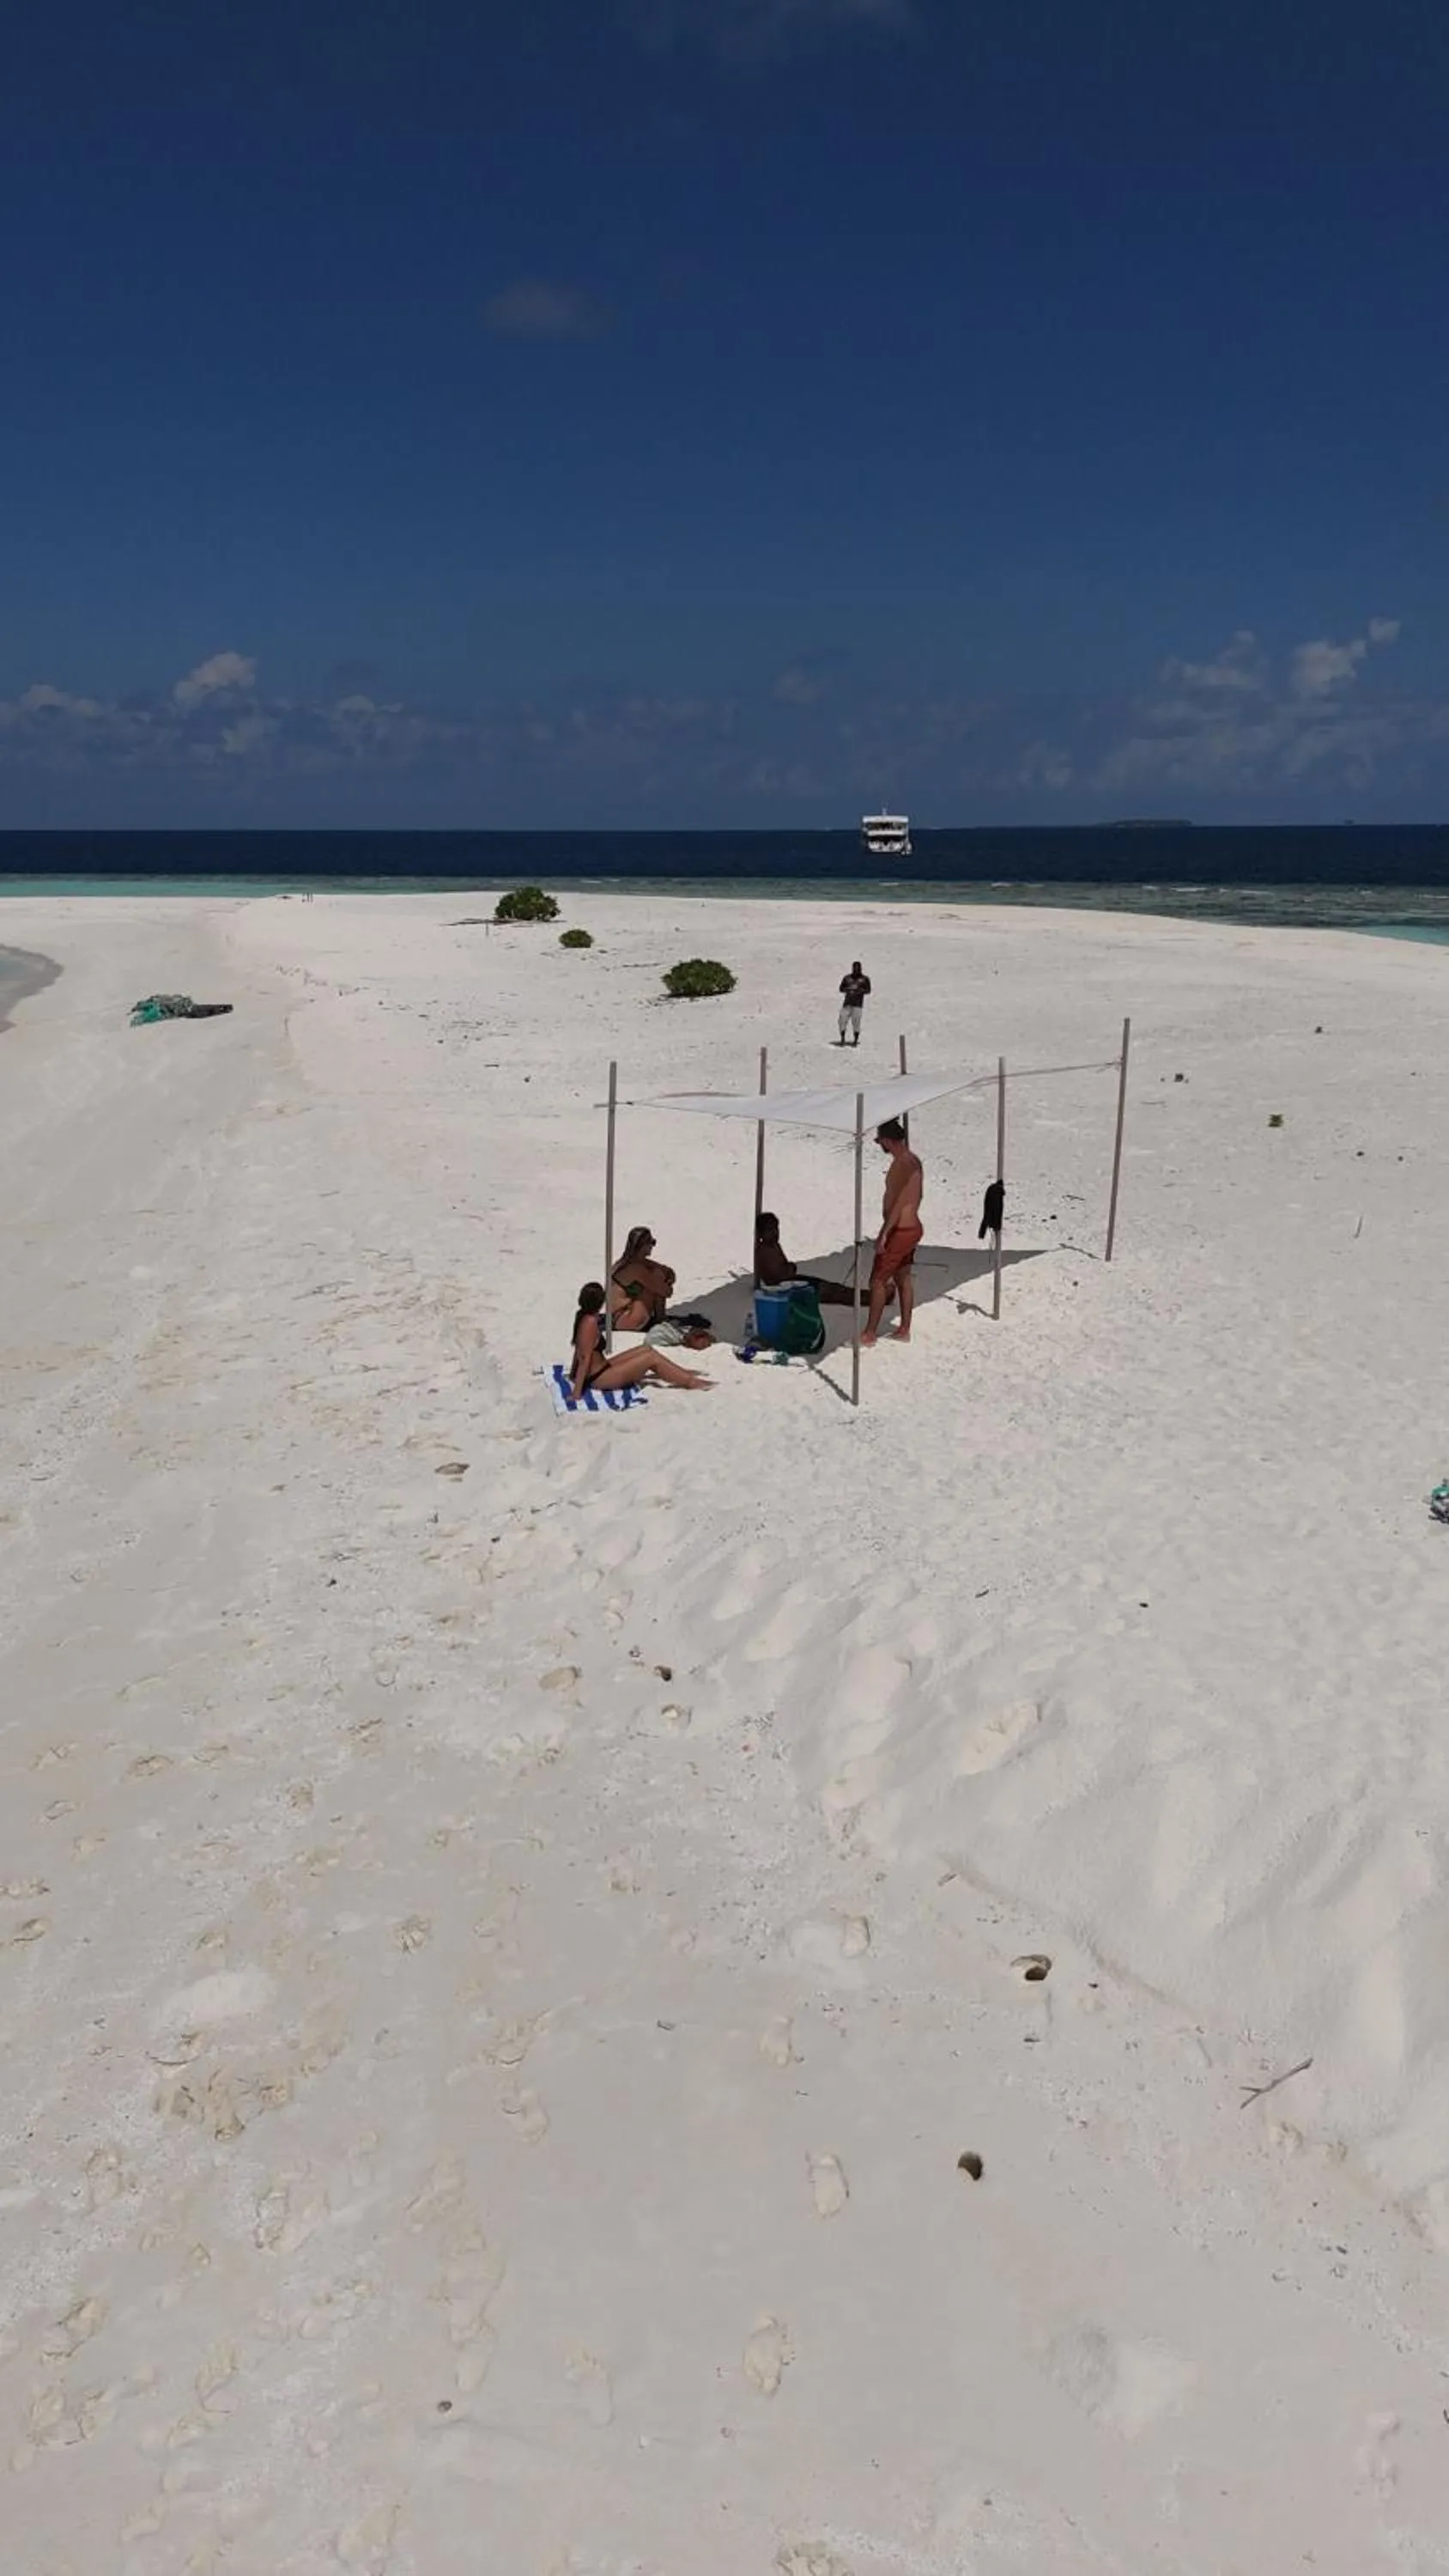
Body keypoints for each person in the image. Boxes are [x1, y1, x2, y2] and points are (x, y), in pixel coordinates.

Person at [570, 1284, 712, 1397]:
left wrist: (572, 1374)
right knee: (651, 1358)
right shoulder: (590, 1323)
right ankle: (691, 1382)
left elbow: (579, 1348)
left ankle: (683, 1373)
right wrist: (576, 1393)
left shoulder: (583, 1316)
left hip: (600, 1370)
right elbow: (584, 1358)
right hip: (599, 1378)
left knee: (646, 1350)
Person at [862, 1119, 923, 1346]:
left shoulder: (901, 1165)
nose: (881, 1146)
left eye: (881, 1142)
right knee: (903, 1276)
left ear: (888, 1140)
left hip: (901, 1229)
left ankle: (869, 1333)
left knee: (877, 1280)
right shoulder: (913, 1160)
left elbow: (899, 1203)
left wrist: (884, 1233)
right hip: (912, 1226)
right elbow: (917, 1196)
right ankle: (904, 1328)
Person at [754, 1211, 856, 1304]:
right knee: (832, 1292)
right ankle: (862, 1298)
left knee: (833, 1287)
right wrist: (789, 1269)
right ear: (762, 1233)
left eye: (776, 1229)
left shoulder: (774, 1246)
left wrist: (789, 1268)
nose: (775, 1233)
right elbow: (778, 1276)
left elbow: (786, 1268)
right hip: (786, 1289)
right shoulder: (764, 1251)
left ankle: (862, 1296)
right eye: (770, 1230)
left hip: (792, 1282)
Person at [609, 1225, 676, 1332]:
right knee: (656, 1280)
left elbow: (668, 1271)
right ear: (643, 1245)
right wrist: (666, 1283)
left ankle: (660, 1319)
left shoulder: (630, 1261)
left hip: (616, 1317)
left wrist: (667, 1275)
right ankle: (660, 1319)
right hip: (624, 1318)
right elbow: (665, 1291)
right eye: (652, 1242)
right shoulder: (636, 1268)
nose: (653, 1246)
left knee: (656, 1276)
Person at [837, 961, 871, 1047]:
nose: (856, 970)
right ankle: (842, 1038)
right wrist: (849, 989)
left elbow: (868, 990)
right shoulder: (847, 978)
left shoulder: (864, 979)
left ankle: (855, 1040)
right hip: (847, 1003)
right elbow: (841, 988)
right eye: (855, 968)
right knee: (842, 1020)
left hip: (858, 1004)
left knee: (856, 1022)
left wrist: (858, 991)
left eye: (858, 969)